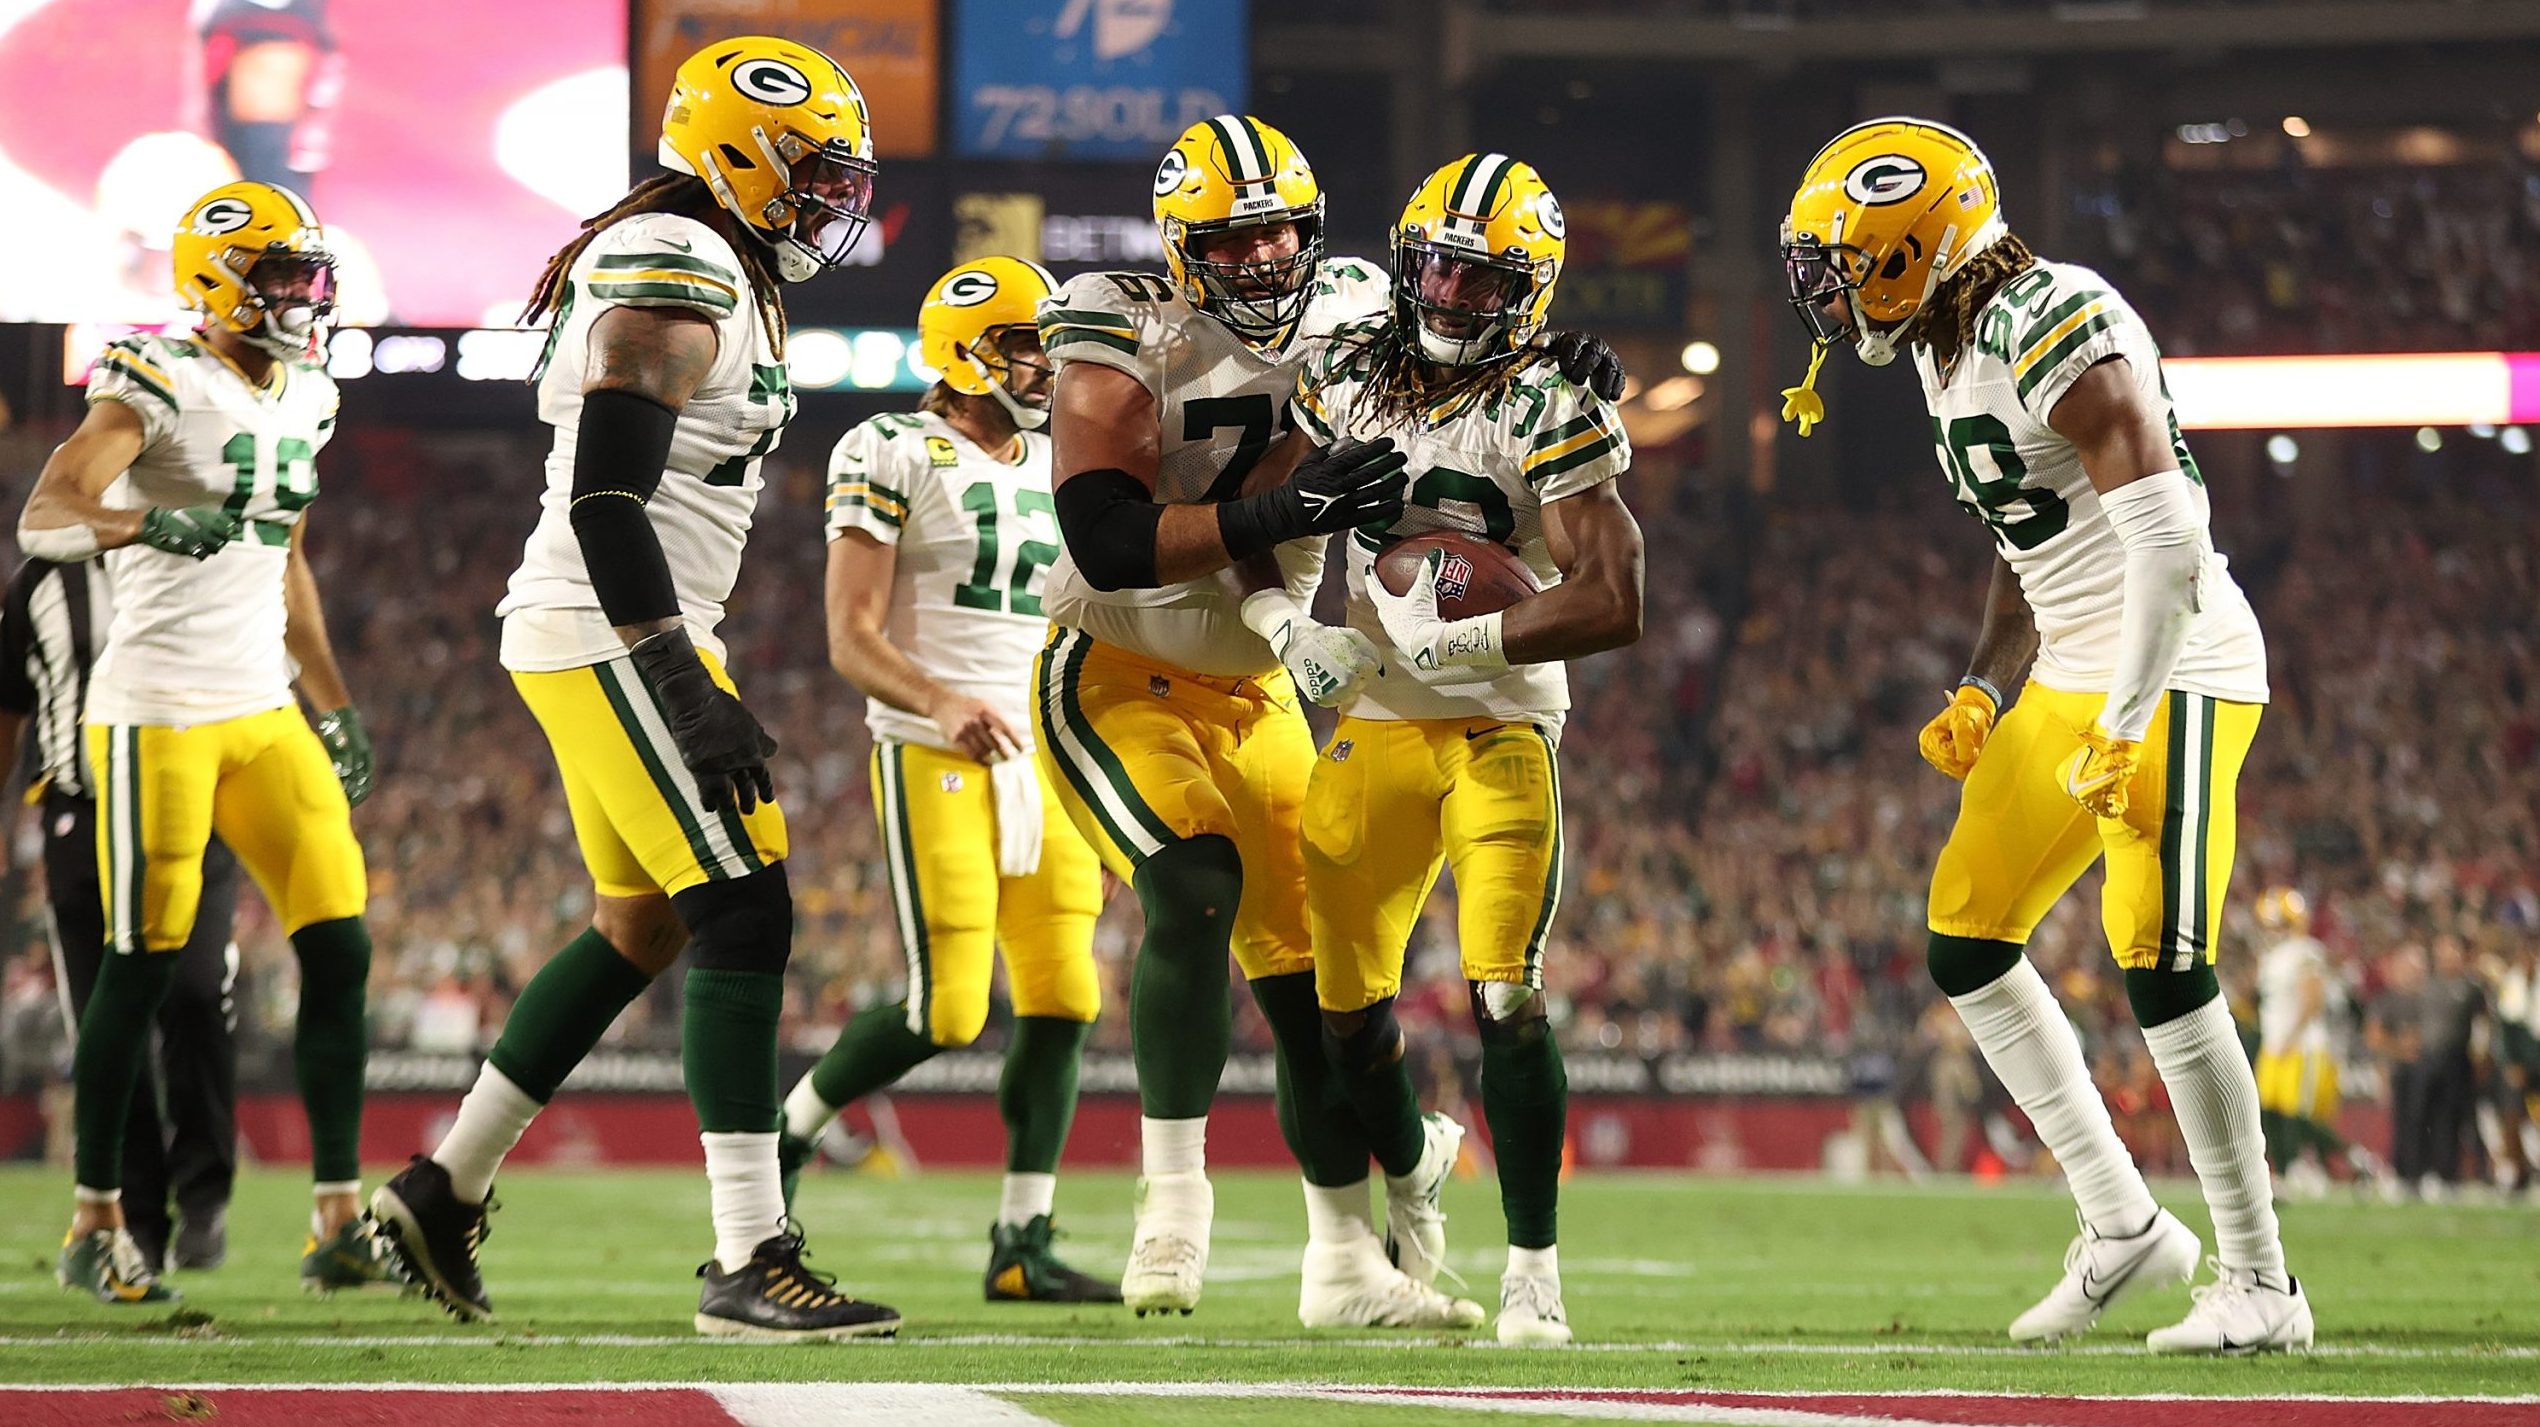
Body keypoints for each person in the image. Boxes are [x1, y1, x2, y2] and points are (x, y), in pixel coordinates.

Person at [1034, 113, 1617, 1325]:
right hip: (1118, 660)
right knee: (1193, 883)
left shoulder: (1360, 307)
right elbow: (1103, 537)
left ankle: (1349, 1258)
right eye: (1231, 240)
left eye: (1281, 233)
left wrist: (1558, 354)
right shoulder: (1119, 317)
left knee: (1317, 995)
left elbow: (1471, 334)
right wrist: (1282, 550)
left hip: (1266, 682)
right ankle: (1172, 1202)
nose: (1262, 260)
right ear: (1179, 243)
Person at [365, 37, 899, 1341]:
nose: (831, 201)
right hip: (610, 625)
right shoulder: (680, 262)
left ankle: (443, 1183)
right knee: (746, 906)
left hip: (610, 624)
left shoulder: (717, 259)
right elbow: (608, 496)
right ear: (735, 155)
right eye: (813, 172)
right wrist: (678, 671)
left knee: (643, 926)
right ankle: (749, 1254)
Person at [1778, 118, 2309, 1353]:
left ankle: (2260, 1279)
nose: (1828, 293)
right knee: (1965, 938)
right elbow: (2029, 544)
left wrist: (2122, 723)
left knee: (2159, 959)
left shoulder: (2051, 317)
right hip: (2071, 668)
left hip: (2173, 664)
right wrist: (1981, 686)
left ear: (1914, 251)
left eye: (1845, 263)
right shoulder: (1948, 344)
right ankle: (2120, 1223)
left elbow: (2166, 545)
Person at [1291, 154, 1645, 1345]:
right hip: (1376, 715)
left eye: (1478, 278)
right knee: (1341, 1010)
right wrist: (1284, 619)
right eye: (1434, 267)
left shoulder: (1550, 399)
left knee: (1506, 993)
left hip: (1499, 716)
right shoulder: (1340, 366)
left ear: (1527, 290)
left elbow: (1613, 596)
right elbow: (1264, 504)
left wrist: (1471, 636)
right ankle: (1411, 1168)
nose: (1447, 295)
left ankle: (1532, 1271)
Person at [18, 178, 386, 1304]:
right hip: (157, 711)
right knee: (141, 962)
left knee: (340, 945)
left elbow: (288, 560)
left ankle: (337, 1213)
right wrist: (142, 519)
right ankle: (96, 1220)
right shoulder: (155, 374)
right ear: (217, 281)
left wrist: (331, 701)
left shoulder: (310, 391)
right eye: (281, 275)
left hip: (261, 707)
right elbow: (46, 513)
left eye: (309, 275)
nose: (303, 295)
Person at [778, 256, 1117, 1304]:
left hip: (1046, 755)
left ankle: (1022, 1237)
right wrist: (937, 701)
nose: (1043, 367)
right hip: (936, 747)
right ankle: (788, 1133)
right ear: (963, 348)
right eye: (1023, 346)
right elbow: (850, 633)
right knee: (949, 1008)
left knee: (1066, 992)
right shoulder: (888, 446)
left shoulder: (1063, 458)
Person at [0, 557, 244, 1274]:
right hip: (80, 814)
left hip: (189, 805)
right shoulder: (41, 581)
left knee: (197, 991)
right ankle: (136, 1214)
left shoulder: (201, 554)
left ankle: (204, 1193)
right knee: (105, 1018)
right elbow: (8, 705)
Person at [2252, 888, 2349, 1195]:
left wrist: (2290, 1037)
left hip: (2301, 1045)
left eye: (2277, 922)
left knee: (2296, 1114)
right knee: (2268, 1110)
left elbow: (2312, 1001)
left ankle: (2350, 1158)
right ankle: (2283, 1171)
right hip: (2274, 1043)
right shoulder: (2272, 957)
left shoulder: (2305, 953)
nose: (2271, 928)